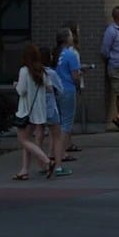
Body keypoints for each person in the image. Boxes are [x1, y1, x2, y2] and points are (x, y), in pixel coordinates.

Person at [12, 44, 54, 180]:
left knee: (23, 140)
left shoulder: (24, 71)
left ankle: (47, 161)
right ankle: (24, 170)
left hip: (25, 110)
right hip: (37, 111)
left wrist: (16, 85)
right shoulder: (42, 70)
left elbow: (21, 91)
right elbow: (50, 88)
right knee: (28, 141)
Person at [52, 25, 81, 159]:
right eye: (70, 35)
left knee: (58, 123)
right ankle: (61, 152)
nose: (72, 37)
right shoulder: (71, 54)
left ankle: (53, 151)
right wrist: (78, 84)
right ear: (66, 39)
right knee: (67, 123)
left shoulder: (55, 54)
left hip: (56, 89)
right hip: (68, 89)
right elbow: (75, 76)